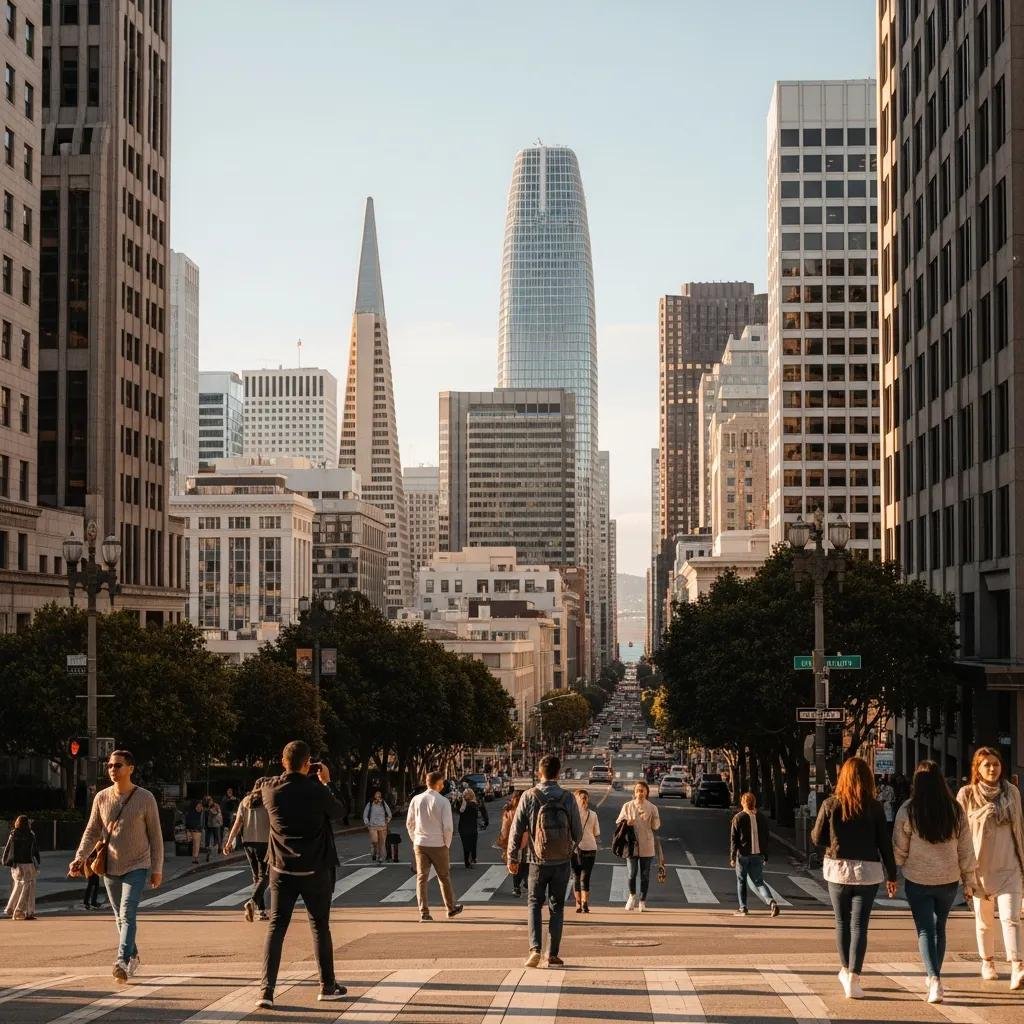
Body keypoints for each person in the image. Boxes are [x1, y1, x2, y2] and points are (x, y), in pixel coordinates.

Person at [257, 742, 348, 1010]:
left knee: (276, 927)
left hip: (281, 869)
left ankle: (267, 990)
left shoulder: (269, 788)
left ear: (283, 762)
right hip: (315, 869)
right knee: (320, 926)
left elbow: (261, 791)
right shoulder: (317, 791)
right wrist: (326, 782)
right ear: (308, 763)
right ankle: (327, 986)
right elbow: (340, 812)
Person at [68, 750, 163, 984]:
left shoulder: (145, 798)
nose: (112, 769)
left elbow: (156, 836)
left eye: (117, 765)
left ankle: (121, 960)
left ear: (130, 768)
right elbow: (92, 831)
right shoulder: (101, 797)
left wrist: (156, 868)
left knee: (128, 911)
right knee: (119, 917)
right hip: (110, 864)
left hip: (138, 864)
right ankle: (133, 955)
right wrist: (80, 857)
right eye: (109, 765)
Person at [811, 755, 898, 999]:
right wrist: (892, 874)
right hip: (867, 872)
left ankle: (844, 968)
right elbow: (884, 844)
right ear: (868, 779)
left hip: (838, 869)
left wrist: (832, 844)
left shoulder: (831, 804)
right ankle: (854, 977)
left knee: (842, 923)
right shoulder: (875, 807)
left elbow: (817, 838)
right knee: (860, 926)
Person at [894, 760, 978, 1004]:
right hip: (949, 879)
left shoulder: (908, 809)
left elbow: (900, 847)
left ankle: (934, 978)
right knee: (939, 928)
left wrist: (897, 868)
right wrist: (968, 878)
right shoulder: (954, 809)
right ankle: (935, 977)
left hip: (917, 877)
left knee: (925, 929)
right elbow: (966, 848)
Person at [956, 746, 1024, 990]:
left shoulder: (1012, 792)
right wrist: (982, 815)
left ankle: (1018, 966)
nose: (992, 769)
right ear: (977, 769)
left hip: (1010, 866)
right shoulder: (966, 794)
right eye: (987, 765)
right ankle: (988, 961)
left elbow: (1020, 828)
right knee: (984, 921)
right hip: (980, 868)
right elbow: (960, 832)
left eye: (996, 764)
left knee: (1011, 918)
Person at [507, 754, 583, 968]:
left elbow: (516, 830)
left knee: (534, 904)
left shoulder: (530, 796)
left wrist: (513, 857)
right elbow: (578, 832)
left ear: (539, 772)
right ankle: (553, 954)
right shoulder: (568, 798)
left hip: (536, 861)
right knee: (557, 908)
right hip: (561, 862)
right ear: (558, 773)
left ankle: (535, 950)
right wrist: (569, 848)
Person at [406, 771, 463, 922]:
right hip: (438, 843)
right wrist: (447, 843)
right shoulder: (443, 801)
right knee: (444, 877)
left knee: (421, 878)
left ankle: (424, 912)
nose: (443, 785)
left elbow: (409, 823)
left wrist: (415, 839)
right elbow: (448, 827)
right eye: (442, 782)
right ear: (438, 784)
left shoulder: (416, 799)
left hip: (420, 842)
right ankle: (450, 908)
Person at [224, 778, 271, 922]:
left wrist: (229, 842)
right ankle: (252, 902)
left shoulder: (245, 801)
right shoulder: (268, 801)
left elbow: (238, 823)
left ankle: (261, 910)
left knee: (256, 876)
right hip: (264, 841)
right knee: (265, 876)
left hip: (248, 842)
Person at [729, 791, 779, 917]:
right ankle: (771, 902)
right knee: (759, 882)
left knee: (741, 881)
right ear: (754, 803)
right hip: (758, 854)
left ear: (743, 803)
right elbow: (766, 837)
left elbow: (734, 839)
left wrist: (732, 857)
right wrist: (765, 854)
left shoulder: (738, 817)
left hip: (743, 854)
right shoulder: (761, 817)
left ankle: (743, 908)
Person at [616, 780, 660, 911]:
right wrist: (626, 822)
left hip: (647, 844)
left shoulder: (652, 808)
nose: (640, 793)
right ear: (634, 793)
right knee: (632, 873)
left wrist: (654, 820)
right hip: (631, 844)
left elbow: (656, 826)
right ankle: (632, 896)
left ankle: (642, 900)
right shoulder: (627, 806)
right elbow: (618, 821)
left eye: (642, 790)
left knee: (645, 874)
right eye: (637, 791)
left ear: (647, 792)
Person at [2, 815, 40, 920]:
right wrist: (37, 861)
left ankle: (10, 908)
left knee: (18, 886)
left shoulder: (13, 834)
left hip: (16, 864)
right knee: (29, 887)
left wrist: (5, 860)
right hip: (28, 864)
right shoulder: (31, 834)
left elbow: (8, 848)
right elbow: (35, 849)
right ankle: (24, 911)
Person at [570, 789, 600, 913]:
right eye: (581, 797)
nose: (583, 799)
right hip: (582, 849)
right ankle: (581, 903)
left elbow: (596, 832)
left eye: (584, 797)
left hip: (582, 849)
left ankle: (582, 903)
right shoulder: (588, 814)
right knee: (580, 877)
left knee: (581, 877)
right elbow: (596, 833)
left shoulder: (574, 814)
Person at [495, 790, 525, 897]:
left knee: (515, 863)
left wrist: (503, 841)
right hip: (525, 841)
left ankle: (517, 887)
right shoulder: (524, 810)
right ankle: (525, 882)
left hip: (512, 841)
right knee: (525, 864)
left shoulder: (509, 810)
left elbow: (504, 828)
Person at [457, 788, 488, 868]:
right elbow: (483, 812)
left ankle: (467, 861)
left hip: (462, 827)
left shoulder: (461, 804)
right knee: (473, 843)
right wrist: (485, 822)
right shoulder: (476, 804)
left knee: (465, 845)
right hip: (472, 827)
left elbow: (457, 811)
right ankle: (473, 858)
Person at [362, 789, 392, 864]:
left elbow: (389, 814)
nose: (378, 795)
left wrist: (387, 821)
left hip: (382, 826)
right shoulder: (370, 803)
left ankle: (380, 857)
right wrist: (367, 823)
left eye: (379, 794)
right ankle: (374, 852)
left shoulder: (384, 804)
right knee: (374, 841)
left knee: (382, 843)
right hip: (372, 826)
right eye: (377, 794)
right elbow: (365, 814)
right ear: (374, 795)